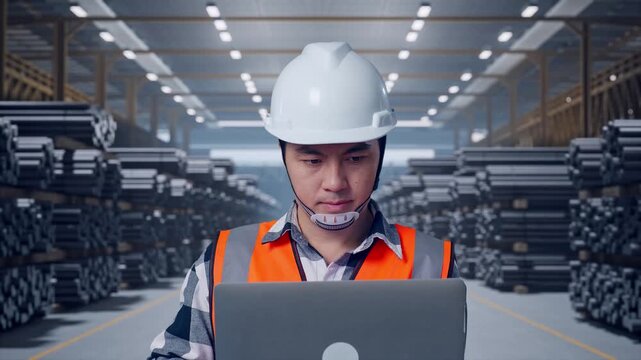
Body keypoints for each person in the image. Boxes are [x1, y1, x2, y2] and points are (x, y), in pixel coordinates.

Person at [148, 41, 459, 360]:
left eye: (355, 158)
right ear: (284, 157)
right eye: (312, 161)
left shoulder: (431, 263)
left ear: (380, 155)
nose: (335, 183)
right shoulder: (225, 261)